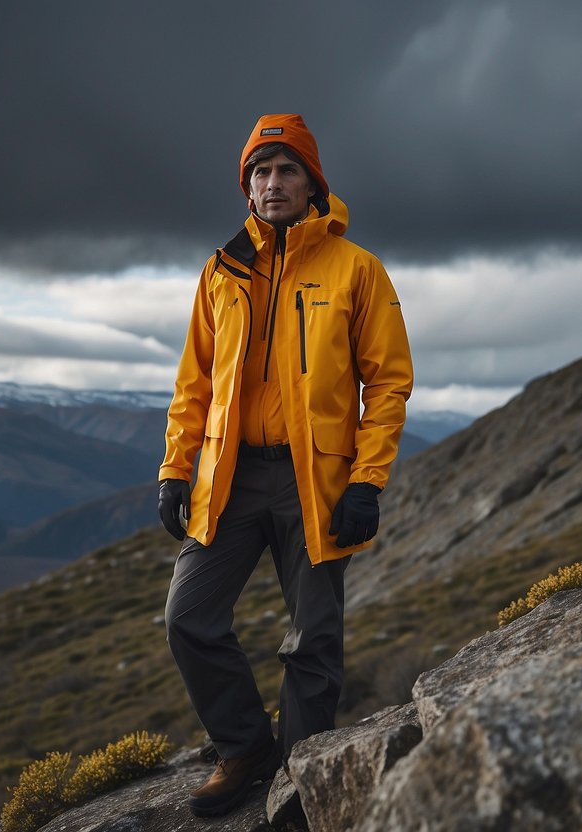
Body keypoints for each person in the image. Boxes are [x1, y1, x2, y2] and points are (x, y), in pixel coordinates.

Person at [157, 113, 413, 817]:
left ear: (311, 183)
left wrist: (366, 481)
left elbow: (387, 382)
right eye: (260, 173)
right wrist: (174, 469)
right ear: (247, 186)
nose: (272, 184)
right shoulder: (220, 270)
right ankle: (244, 748)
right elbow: (194, 383)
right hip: (230, 477)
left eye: (286, 170)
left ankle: (298, 782)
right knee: (189, 617)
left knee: (313, 639)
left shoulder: (355, 269)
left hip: (315, 480)